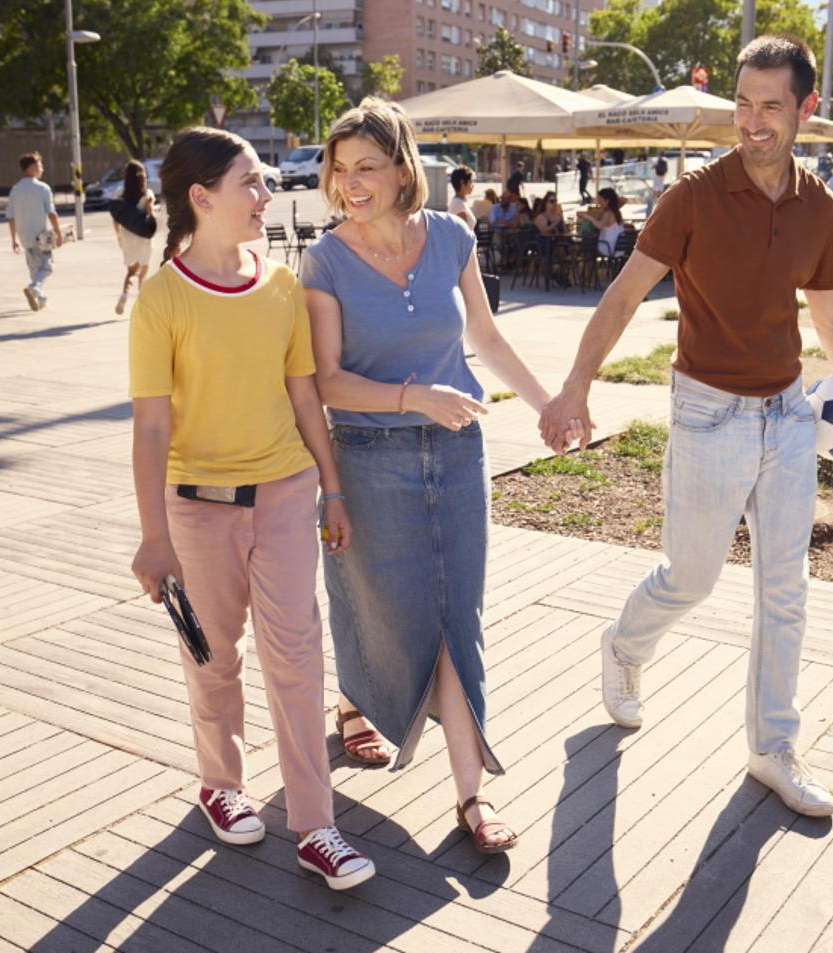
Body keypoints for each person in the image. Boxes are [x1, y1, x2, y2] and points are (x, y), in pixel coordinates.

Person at [540, 35, 833, 820]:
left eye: (771, 106)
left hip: (790, 415)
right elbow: (624, 296)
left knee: (785, 590)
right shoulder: (691, 197)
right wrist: (575, 388)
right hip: (707, 413)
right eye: (743, 103)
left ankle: (773, 746)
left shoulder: (819, 207)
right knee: (691, 578)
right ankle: (625, 647)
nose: (753, 121)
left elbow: (829, 312)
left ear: (806, 108)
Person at [301, 97, 579, 854]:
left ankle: (471, 794)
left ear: (401, 168)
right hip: (367, 456)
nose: (350, 183)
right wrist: (410, 396)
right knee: (379, 602)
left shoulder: (452, 234)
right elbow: (324, 380)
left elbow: (484, 336)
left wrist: (549, 402)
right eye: (339, 169)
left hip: (457, 454)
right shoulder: (323, 259)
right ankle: (356, 701)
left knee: (457, 619)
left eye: (367, 167)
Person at [128, 126, 375, 891]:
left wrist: (331, 487)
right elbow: (152, 425)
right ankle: (221, 783)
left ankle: (316, 823)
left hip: (283, 496)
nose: (268, 195)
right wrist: (153, 538)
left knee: (297, 656)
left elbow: (305, 396)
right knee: (214, 657)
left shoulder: (280, 286)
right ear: (202, 198)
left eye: (266, 182)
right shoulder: (161, 299)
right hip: (196, 509)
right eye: (253, 183)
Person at [6, 151, 63, 311]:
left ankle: (41, 299)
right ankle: (34, 289)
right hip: (41, 237)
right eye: (39, 165)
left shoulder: (15, 190)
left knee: (34, 269)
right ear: (31, 167)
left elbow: (10, 217)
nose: (42, 169)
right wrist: (58, 233)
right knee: (46, 267)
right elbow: (52, 213)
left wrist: (13, 239)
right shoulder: (43, 188)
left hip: (24, 237)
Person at [112, 159, 156, 315]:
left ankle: (124, 294)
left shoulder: (119, 193)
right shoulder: (147, 194)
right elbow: (150, 214)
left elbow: (117, 217)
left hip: (127, 237)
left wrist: (118, 235)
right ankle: (142, 304)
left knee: (131, 272)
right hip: (143, 237)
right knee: (143, 272)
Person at [577, 187, 624, 259]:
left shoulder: (608, 213)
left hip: (608, 247)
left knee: (588, 245)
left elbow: (600, 226)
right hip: (619, 249)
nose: (598, 203)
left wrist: (587, 217)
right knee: (589, 245)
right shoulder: (617, 212)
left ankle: (588, 267)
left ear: (607, 201)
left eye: (600, 200)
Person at [448, 164, 477, 231]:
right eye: (471, 182)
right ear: (462, 183)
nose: (473, 185)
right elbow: (462, 233)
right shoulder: (459, 204)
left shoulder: (459, 202)